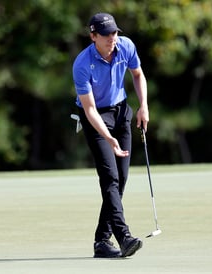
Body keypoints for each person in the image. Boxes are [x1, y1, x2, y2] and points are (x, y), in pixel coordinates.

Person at [72, 12, 149, 258]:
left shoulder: (125, 46)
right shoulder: (82, 64)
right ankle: (123, 236)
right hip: (96, 118)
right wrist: (108, 137)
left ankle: (101, 241)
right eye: (106, 35)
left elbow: (138, 75)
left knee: (121, 179)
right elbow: (90, 109)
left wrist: (143, 106)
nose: (112, 38)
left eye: (114, 32)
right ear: (93, 36)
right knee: (110, 178)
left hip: (121, 112)